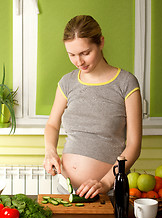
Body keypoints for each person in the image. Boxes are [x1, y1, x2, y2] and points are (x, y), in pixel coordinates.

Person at [43, 15, 142, 199]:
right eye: (71, 55)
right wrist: (50, 151)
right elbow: (52, 125)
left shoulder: (126, 83)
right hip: (67, 191)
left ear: (101, 42)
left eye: (85, 53)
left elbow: (134, 146)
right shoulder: (67, 82)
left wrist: (105, 183)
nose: (79, 62)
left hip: (109, 192)